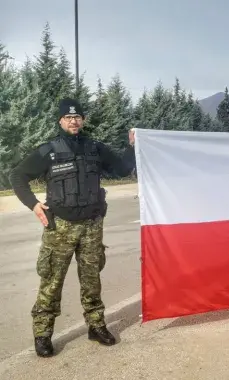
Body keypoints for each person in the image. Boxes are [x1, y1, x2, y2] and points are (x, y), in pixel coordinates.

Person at [9, 98, 136, 357]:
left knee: (92, 280)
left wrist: (133, 146)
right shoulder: (49, 151)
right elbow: (17, 176)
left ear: (83, 120)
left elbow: (123, 169)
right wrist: (33, 204)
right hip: (61, 228)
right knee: (52, 282)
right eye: (68, 117)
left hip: (92, 225)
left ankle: (96, 325)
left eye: (77, 116)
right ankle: (43, 333)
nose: (73, 120)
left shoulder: (95, 148)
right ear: (60, 120)